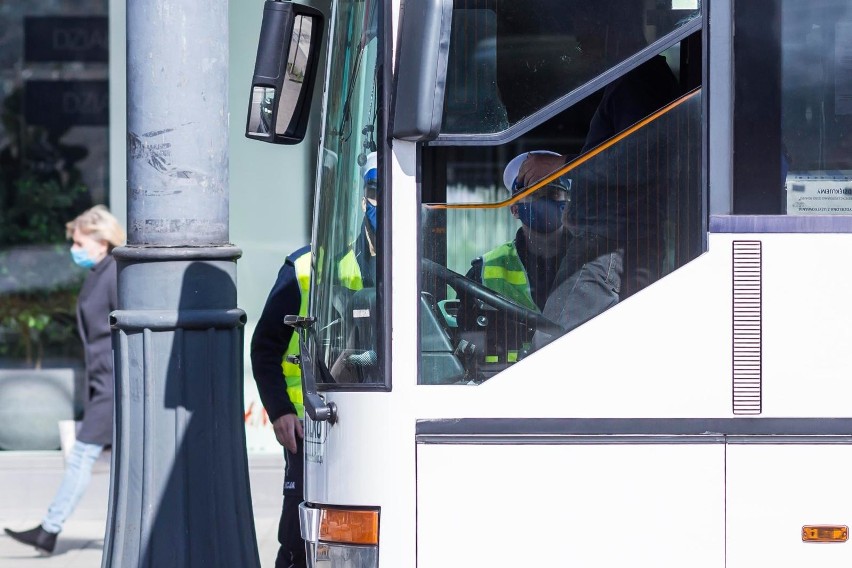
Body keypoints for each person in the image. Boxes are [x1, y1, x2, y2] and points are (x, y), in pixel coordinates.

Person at [515, 6, 681, 348]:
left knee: (551, 350)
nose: (576, 36)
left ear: (609, 24)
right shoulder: (629, 79)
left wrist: (562, 166)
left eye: (581, 22)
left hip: (606, 250)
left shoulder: (639, 79)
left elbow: (637, 162)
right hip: (606, 246)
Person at [4, 205, 125, 555]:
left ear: (101, 241)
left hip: (112, 383)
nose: (74, 248)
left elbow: (121, 328)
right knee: (109, 460)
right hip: (102, 381)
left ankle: (50, 529)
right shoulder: (98, 274)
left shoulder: (114, 273)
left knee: (83, 455)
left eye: (78, 241)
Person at [458, 151, 570, 363]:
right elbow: (468, 347)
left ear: (567, 204)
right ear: (515, 208)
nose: (545, 201)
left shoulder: (593, 263)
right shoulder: (482, 272)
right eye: (536, 193)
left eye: (553, 193)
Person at [250, 244, 311, 568]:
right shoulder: (302, 267)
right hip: (307, 426)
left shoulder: (402, 249)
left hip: (370, 416)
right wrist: (280, 410)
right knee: (296, 536)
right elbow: (264, 348)